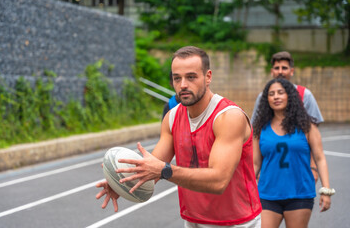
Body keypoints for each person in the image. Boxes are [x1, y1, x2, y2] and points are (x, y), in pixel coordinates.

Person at [96, 46, 262, 227]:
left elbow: (218, 181)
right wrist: (121, 181)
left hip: (237, 222)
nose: (183, 84)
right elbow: (152, 168)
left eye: (191, 77)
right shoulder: (172, 118)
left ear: (208, 77)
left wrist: (165, 170)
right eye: (177, 78)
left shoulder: (228, 117)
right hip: (193, 221)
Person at [252, 78, 334, 228]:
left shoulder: (306, 126)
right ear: (266, 100)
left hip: (300, 194)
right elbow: (255, 163)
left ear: (290, 96)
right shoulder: (260, 128)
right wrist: (246, 191)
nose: (276, 96)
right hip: (267, 195)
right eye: (271, 94)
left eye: (280, 92)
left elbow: (320, 158)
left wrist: (326, 190)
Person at [251, 51, 323, 182]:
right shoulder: (263, 98)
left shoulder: (305, 95)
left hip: (299, 164)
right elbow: (256, 133)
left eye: (284, 68)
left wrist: (313, 166)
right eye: (277, 68)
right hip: (272, 167)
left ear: (291, 71)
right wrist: (259, 169)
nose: (280, 72)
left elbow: (313, 137)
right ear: (272, 71)